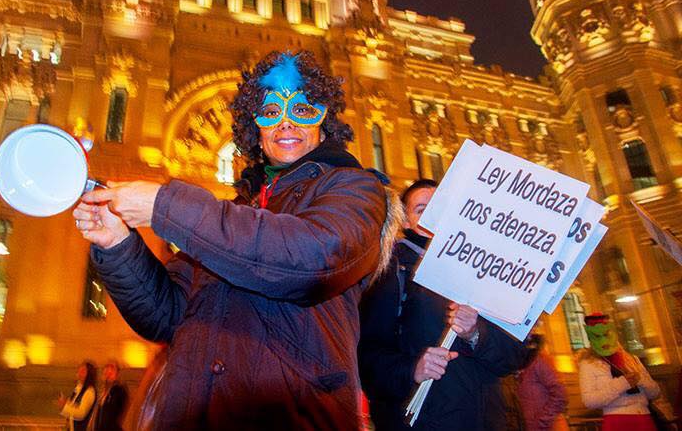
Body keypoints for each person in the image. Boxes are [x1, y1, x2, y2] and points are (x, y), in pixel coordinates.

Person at [73, 50, 402, 429]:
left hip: (291, 418)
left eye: (303, 109)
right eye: (270, 112)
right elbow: (166, 316)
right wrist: (118, 245)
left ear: (324, 125)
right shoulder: (226, 217)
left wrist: (166, 205)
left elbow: (311, 258)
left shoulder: (353, 189)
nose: (286, 123)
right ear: (256, 134)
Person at [358, 179, 529, 430]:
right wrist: (412, 369)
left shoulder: (486, 271)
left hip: (490, 420)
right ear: (405, 222)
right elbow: (367, 360)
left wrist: (476, 334)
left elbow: (513, 357)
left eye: (441, 206)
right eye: (421, 209)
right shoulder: (391, 272)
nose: (434, 215)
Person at [578, 312, 660, 431]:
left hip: (644, 418)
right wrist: (622, 383)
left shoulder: (632, 359)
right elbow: (589, 401)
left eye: (607, 334)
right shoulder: (589, 364)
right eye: (597, 336)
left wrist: (640, 379)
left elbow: (655, 393)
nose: (604, 340)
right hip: (617, 421)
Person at [517, 334, 568, 431]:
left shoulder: (540, 361)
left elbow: (560, 393)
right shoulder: (516, 366)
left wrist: (543, 420)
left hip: (548, 426)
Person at [88, 360, 129, 431]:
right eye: (107, 367)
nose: (108, 370)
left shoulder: (119, 390)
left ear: (117, 373)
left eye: (112, 368)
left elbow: (114, 415)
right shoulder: (104, 392)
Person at [59, 361, 97, 431]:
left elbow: (81, 413)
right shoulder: (78, 388)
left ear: (89, 375)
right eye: (79, 369)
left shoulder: (89, 391)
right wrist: (66, 403)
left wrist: (65, 406)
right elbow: (74, 407)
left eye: (83, 371)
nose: (79, 372)